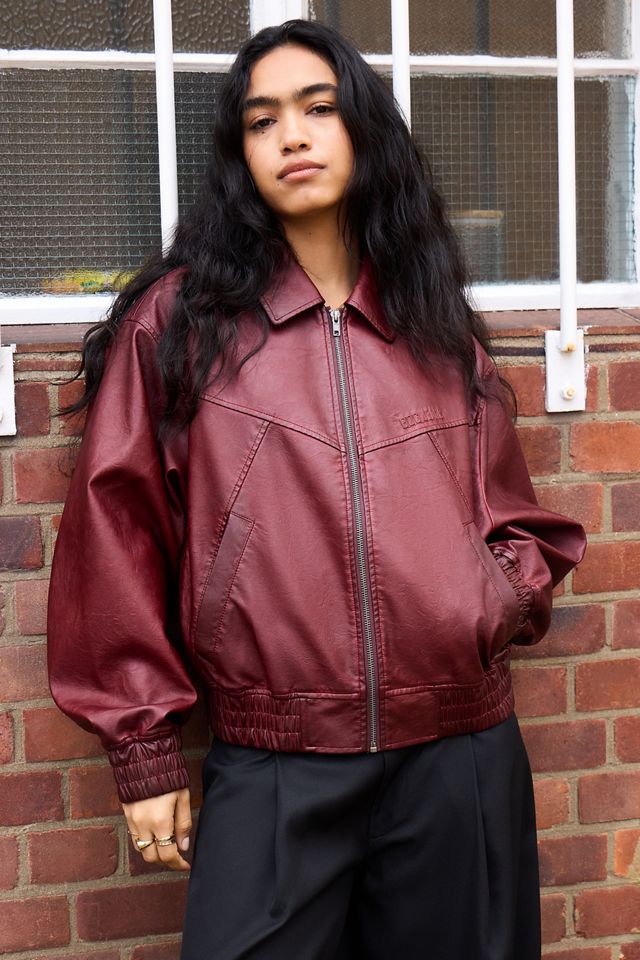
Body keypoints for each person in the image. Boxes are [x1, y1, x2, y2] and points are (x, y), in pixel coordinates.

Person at [47, 18, 587, 960]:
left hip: (457, 756)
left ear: (363, 128)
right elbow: (115, 530)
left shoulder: (429, 319)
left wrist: (486, 598)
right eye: (262, 121)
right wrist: (143, 747)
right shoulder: (181, 326)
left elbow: (515, 517)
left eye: (318, 108)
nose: (291, 136)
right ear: (240, 154)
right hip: (275, 763)